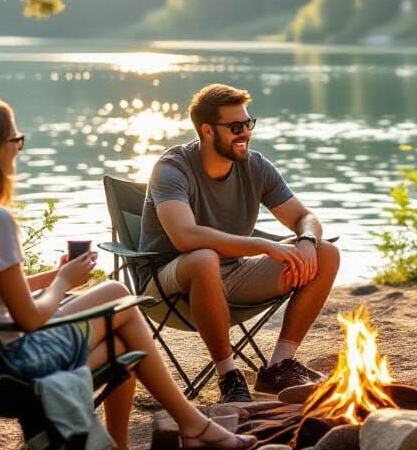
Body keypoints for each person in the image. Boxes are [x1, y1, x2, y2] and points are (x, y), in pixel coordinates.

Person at [0, 96, 257, 450]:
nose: (17, 150)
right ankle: (191, 427)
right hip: (10, 368)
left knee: (121, 333)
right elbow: (31, 319)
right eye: (16, 141)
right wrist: (66, 281)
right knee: (118, 297)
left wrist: (52, 277)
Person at [138, 83, 339, 403]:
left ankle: (278, 368)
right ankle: (229, 377)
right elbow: (185, 236)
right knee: (204, 257)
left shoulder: (255, 166)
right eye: (235, 127)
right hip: (166, 284)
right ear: (207, 131)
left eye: (248, 123)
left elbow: (306, 217)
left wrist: (304, 239)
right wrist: (263, 246)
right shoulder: (172, 167)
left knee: (325, 252)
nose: (245, 132)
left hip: (232, 275)